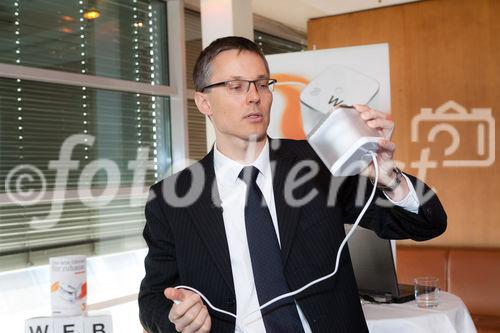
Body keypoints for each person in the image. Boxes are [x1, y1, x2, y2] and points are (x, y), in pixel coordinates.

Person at [138, 36, 446, 333]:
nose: (254, 96)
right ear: (204, 102)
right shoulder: (170, 199)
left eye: (262, 84)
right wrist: (176, 318)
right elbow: (152, 300)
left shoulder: (317, 163)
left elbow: (426, 223)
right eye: (235, 86)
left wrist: (389, 177)